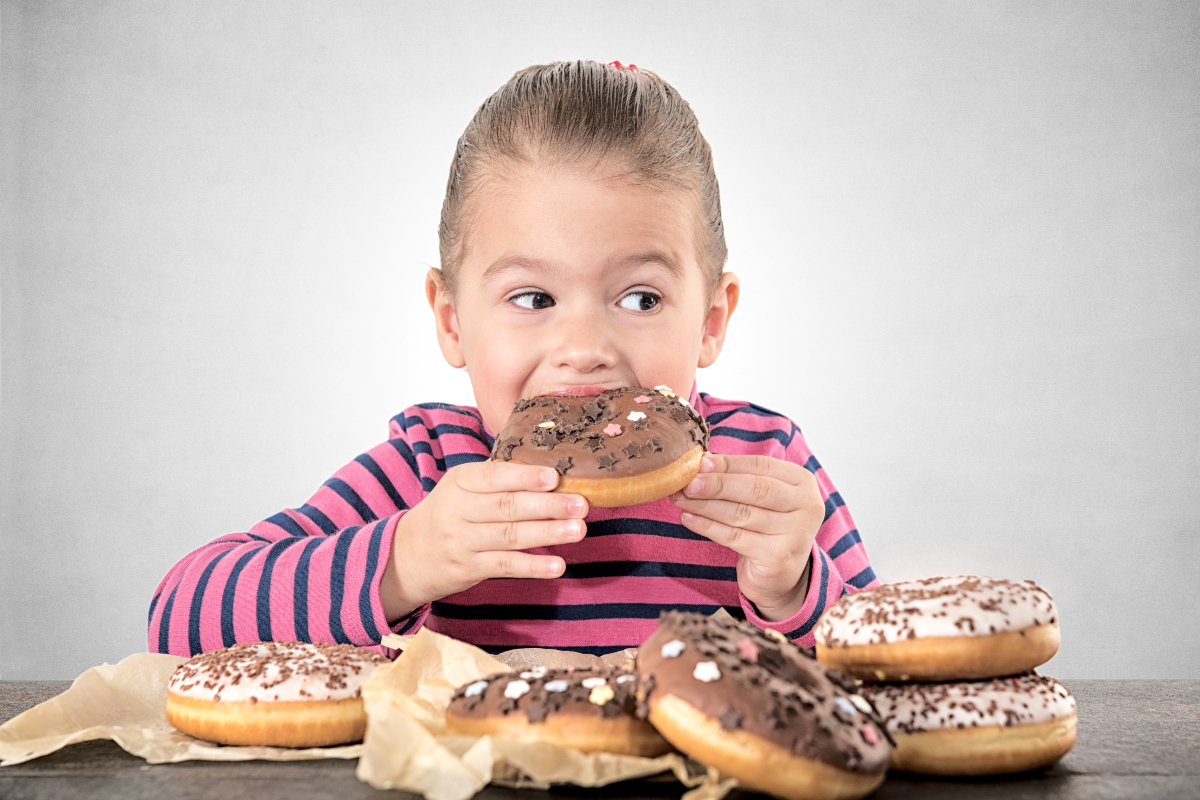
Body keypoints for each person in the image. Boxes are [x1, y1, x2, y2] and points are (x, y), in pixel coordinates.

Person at [149, 60, 878, 658]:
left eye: (641, 299)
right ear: (453, 320)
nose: (585, 351)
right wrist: (406, 560)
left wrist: (794, 588)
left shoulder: (763, 467)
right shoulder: (431, 469)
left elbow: (897, 667)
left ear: (711, 319)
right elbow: (178, 618)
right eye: (533, 299)